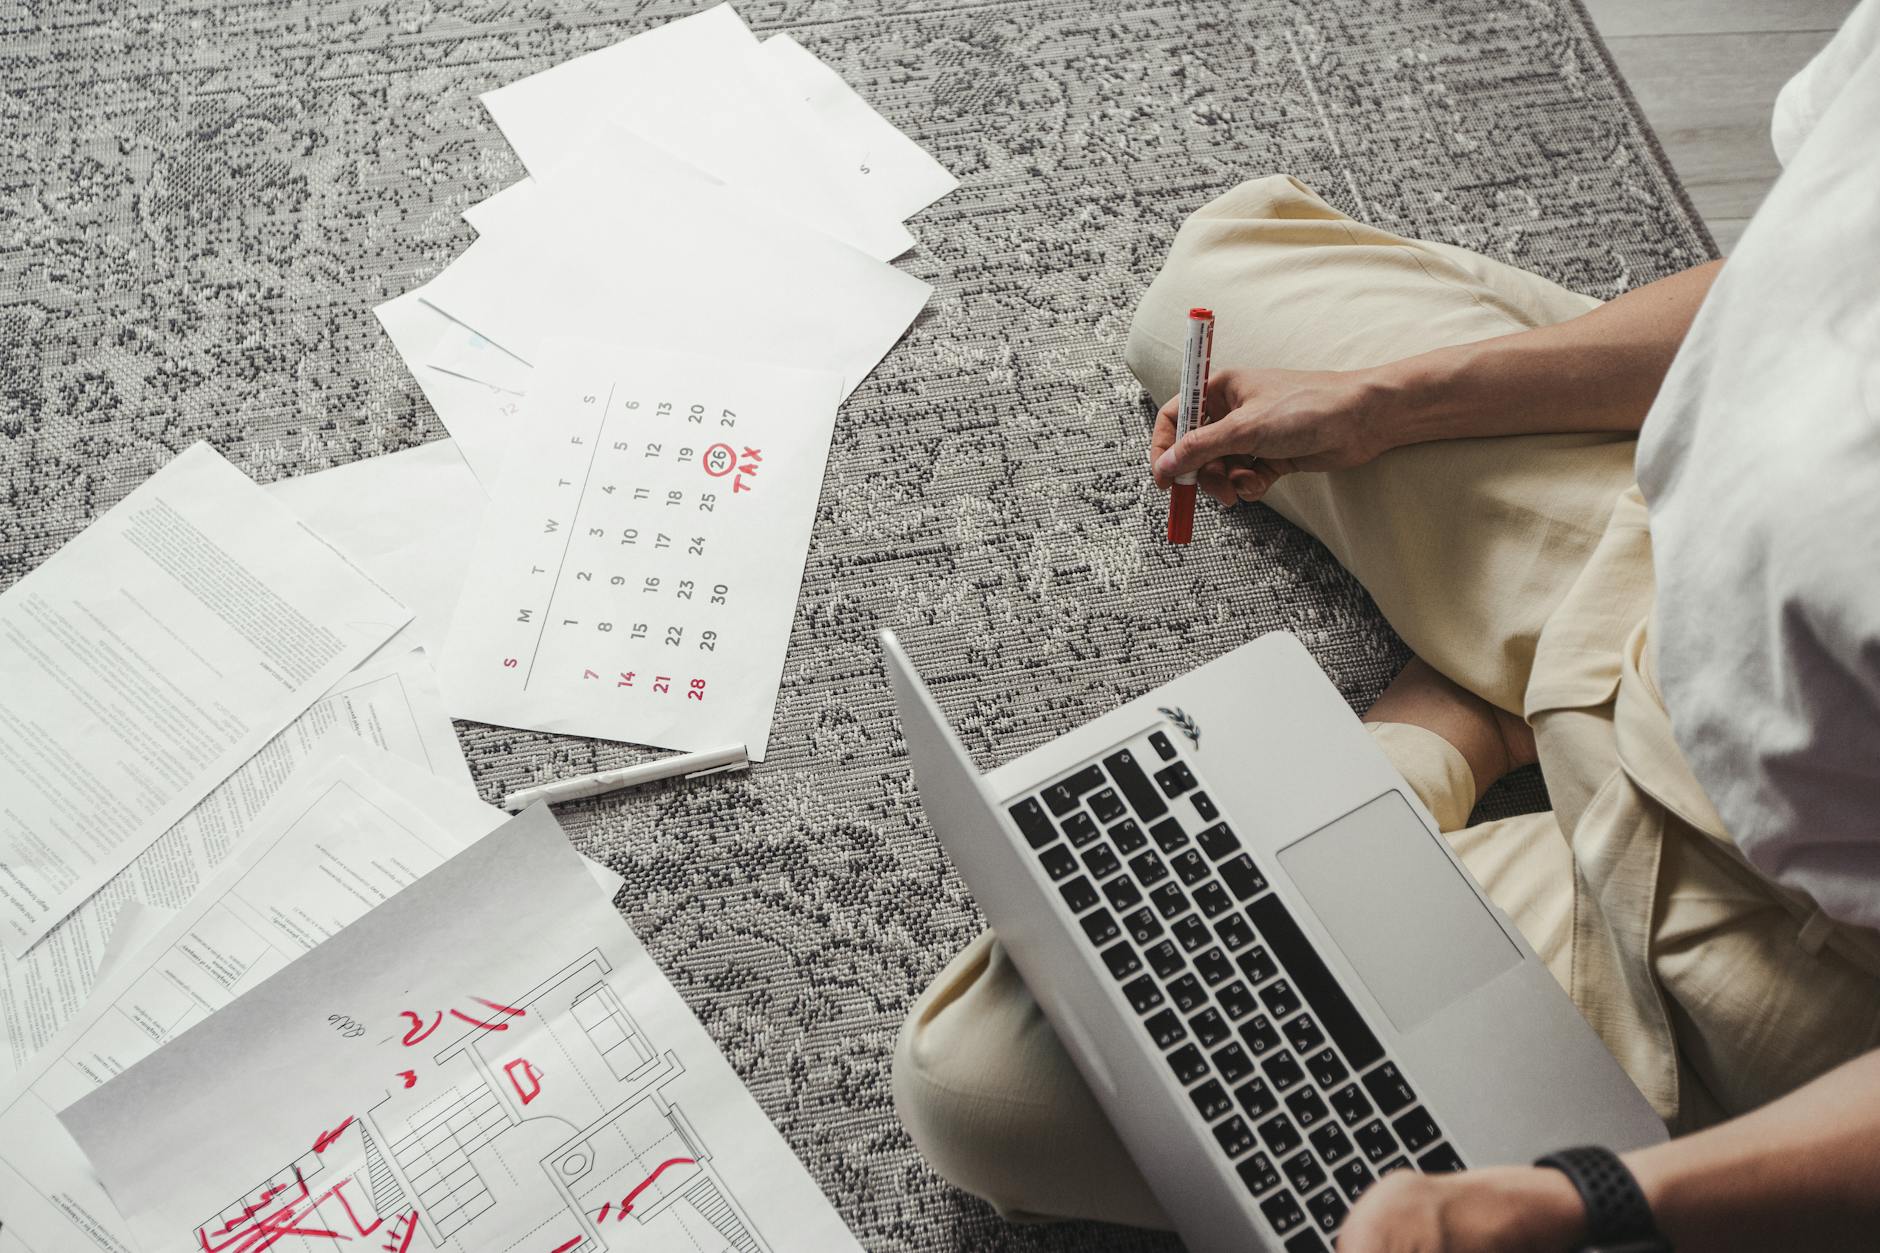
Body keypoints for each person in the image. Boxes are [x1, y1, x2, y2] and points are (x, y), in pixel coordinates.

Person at [893, 1, 1880, 1247]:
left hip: (1752, 926)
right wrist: (1388, 403)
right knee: (1209, 293)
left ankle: (1446, 735)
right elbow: (1780, 284)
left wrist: (1602, 1199)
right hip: (1647, 552)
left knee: (981, 1077)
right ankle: (1490, 689)